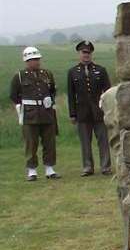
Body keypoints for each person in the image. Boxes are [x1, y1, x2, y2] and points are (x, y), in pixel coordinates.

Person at [10, 46, 59, 181]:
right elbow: (14, 95)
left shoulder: (47, 74)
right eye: (33, 59)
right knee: (31, 143)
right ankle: (32, 170)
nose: (36, 62)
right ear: (27, 61)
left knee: (49, 142)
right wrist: (23, 106)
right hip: (30, 114)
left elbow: (53, 89)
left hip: (46, 112)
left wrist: (50, 100)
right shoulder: (19, 76)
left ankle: (49, 168)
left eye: (37, 59)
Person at [67, 40, 113, 176]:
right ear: (79, 54)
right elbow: (71, 95)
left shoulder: (100, 70)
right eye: (83, 52)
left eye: (88, 53)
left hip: (99, 112)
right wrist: (72, 114)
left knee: (103, 141)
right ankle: (87, 167)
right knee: (85, 142)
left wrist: (109, 111)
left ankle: (105, 167)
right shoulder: (73, 72)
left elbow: (108, 93)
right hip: (82, 112)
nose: (86, 55)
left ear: (91, 54)